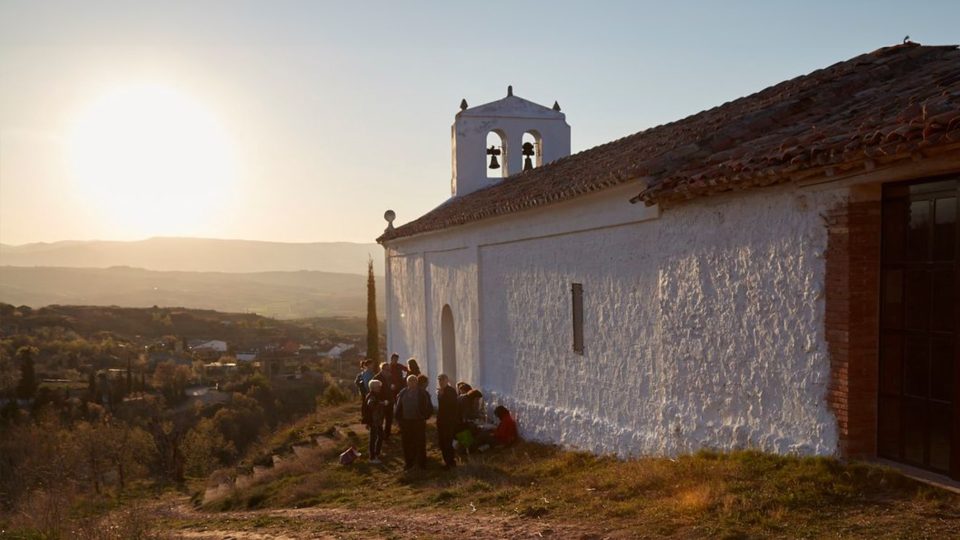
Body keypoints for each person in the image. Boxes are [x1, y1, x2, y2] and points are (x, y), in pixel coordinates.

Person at [394, 374, 433, 470]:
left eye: (414, 380)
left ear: (417, 382)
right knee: (407, 443)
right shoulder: (403, 392)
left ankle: (421, 463)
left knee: (420, 442)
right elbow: (398, 406)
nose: (412, 382)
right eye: (410, 381)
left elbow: (429, 407)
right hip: (406, 422)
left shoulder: (422, 393)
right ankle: (409, 463)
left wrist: (425, 416)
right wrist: (398, 418)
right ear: (407, 382)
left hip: (418, 421)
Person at [363, 379, 389, 463]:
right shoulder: (371, 396)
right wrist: (382, 403)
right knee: (373, 439)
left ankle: (377, 453)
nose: (380, 388)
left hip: (377, 421)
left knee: (380, 437)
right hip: (374, 421)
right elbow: (371, 404)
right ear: (373, 387)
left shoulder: (375, 395)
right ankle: (372, 457)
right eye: (378, 387)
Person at [436, 374, 459, 469]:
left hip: (449, 421)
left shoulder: (451, 391)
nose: (440, 382)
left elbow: (451, 405)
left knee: (447, 441)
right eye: (439, 380)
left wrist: (442, 395)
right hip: (441, 420)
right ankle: (446, 460)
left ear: (446, 380)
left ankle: (450, 462)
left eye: (442, 380)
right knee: (442, 442)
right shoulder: (440, 391)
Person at [372, 362, 395, 438]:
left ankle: (387, 435)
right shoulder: (377, 378)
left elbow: (394, 385)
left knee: (389, 419)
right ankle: (380, 435)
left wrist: (394, 387)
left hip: (390, 401)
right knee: (380, 419)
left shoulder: (391, 377)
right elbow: (374, 391)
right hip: (381, 402)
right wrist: (380, 401)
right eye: (387, 369)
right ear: (382, 369)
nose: (389, 371)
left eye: (389, 369)